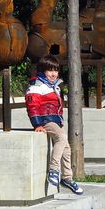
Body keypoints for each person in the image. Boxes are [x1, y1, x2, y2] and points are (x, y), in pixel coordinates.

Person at [25, 55, 83, 195]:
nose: (53, 74)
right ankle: (54, 170)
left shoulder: (54, 85)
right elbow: (32, 106)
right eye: (50, 70)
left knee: (67, 148)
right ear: (42, 71)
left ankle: (67, 178)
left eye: (56, 70)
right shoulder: (37, 85)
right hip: (45, 119)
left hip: (56, 119)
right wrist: (37, 124)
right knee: (61, 138)